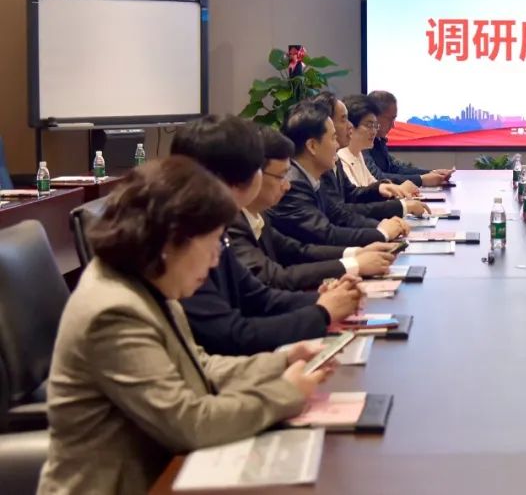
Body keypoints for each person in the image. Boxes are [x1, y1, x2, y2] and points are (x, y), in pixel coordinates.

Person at [37, 158, 329, 494]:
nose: (216, 259)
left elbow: (199, 366)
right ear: (172, 241)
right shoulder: (113, 311)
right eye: (213, 243)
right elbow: (189, 424)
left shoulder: (148, 280)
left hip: (167, 470)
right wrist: (286, 393)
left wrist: (282, 361)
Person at [171, 114, 362, 355]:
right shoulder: (182, 240)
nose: (286, 184)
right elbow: (230, 335)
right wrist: (322, 312)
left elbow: (259, 296)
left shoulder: (215, 227)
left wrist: (325, 299)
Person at [229, 125, 399, 291]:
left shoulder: (258, 215)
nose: (286, 185)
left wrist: (356, 254)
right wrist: (354, 265)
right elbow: (275, 278)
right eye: (280, 176)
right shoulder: (232, 225)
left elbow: (297, 250)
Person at [266, 101, 410, 247]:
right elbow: (325, 235)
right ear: (312, 146)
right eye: (333, 138)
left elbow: (339, 214)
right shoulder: (295, 184)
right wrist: (382, 233)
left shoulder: (313, 177)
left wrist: (379, 226)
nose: (336, 145)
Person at [312, 91, 429, 220]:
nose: (349, 125)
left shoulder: (338, 158)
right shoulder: (328, 162)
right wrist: (400, 209)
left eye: (375, 125)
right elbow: (341, 212)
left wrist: (382, 188)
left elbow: (353, 193)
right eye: (344, 119)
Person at [364, 90, 453, 187]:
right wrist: (421, 180)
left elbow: (394, 168)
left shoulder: (378, 140)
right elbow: (376, 177)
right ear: (374, 116)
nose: (393, 125)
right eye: (390, 119)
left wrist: (432, 173)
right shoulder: (361, 143)